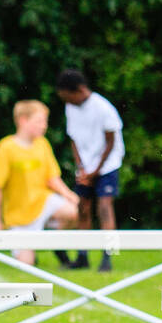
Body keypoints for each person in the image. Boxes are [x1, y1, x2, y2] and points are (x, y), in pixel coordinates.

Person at [0, 100, 79, 265]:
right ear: (23, 120)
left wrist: (68, 194)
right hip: (19, 217)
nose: (44, 126)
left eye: (45, 121)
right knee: (27, 265)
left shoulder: (42, 144)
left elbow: (52, 178)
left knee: (72, 211)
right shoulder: (5, 148)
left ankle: (55, 243)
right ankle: (32, 247)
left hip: (43, 202)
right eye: (39, 121)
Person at [55, 69, 124, 271]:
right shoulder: (71, 108)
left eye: (66, 96)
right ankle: (82, 256)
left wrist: (96, 170)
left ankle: (107, 257)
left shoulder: (103, 108)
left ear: (78, 90)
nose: (65, 100)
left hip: (107, 164)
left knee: (104, 207)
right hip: (86, 167)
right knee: (82, 208)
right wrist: (82, 168)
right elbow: (74, 139)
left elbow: (110, 142)